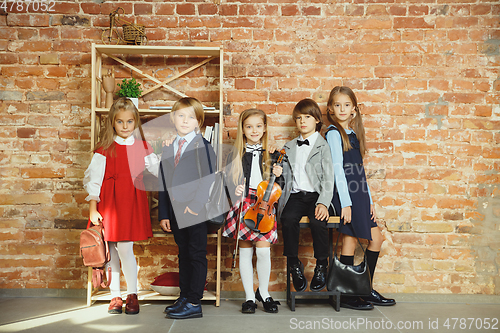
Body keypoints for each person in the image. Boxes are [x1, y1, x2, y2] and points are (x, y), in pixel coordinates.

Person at [83, 97, 159, 315]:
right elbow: (94, 180)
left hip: (131, 203)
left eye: (129, 122)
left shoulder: (142, 147)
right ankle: (115, 295)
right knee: (112, 252)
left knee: (126, 249)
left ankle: (132, 294)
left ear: (135, 122)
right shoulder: (104, 149)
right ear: (112, 123)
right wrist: (92, 208)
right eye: (120, 122)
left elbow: (158, 170)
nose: (125, 127)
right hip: (108, 204)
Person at [325, 86, 396, 310]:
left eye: (347, 105)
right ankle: (345, 294)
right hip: (346, 194)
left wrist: (371, 201)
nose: (342, 109)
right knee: (351, 238)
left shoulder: (354, 134)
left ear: (354, 109)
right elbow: (338, 169)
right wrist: (345, 202)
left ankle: (364, 288)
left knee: (377, 240)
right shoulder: (334, 133)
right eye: (338, 105)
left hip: (360, 193)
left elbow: (359, 171)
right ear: (330, 109)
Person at [158, 97, 216, 320]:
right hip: (175, 210)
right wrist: (164, 213)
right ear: (173, 118)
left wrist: (195, 207)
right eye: (181, 115)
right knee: (183, 254)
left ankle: (194, 301)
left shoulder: (204, 146)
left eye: (191, 117)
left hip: (195, 210)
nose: (185, 120)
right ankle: (184, 296)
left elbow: (208, 180)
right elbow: (163, 182)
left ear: (198, 123)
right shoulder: (169, 147)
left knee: (196, 254)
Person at [223, 109, 283, 314]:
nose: (254, 130)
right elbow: (226, 181)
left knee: (264, 250)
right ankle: (249, 297)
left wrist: (279, 174)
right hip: (245, 203)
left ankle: (264, 293)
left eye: (258, 126)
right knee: (246, 251)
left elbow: (281, 187)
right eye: (249, 126)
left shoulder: (274, 154)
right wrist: (234, 189)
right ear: (242, 129)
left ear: (265, 128)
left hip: (264, 205)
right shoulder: (235, 153)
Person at [277, 99, 334, 294]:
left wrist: (324, 203)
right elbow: (283, 175)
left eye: (307, 117)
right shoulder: (289, 146)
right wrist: (274, 164)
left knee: (318, 222)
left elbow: (328, 177)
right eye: (299, 118)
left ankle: (321, 265)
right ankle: (294, 264)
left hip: (316, 196)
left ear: (317, 120)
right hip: (295, 196)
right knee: (287, 219)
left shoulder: (323, 146)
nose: (302, 121)